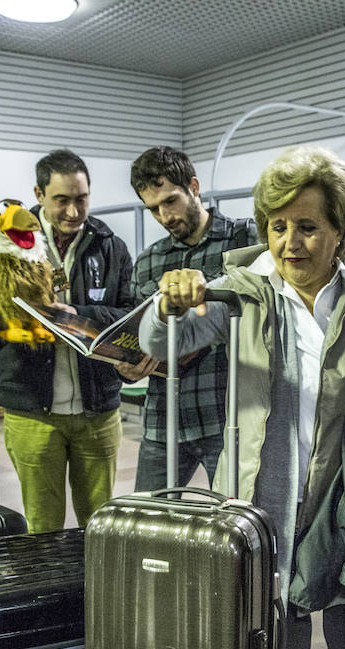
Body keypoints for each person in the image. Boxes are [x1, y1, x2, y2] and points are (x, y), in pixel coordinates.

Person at [139, 146, 345, 649]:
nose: (290, 242)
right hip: (261, 504)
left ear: (340, 230)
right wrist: (168, 305)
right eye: (278, 226)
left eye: (308, 227)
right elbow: (158, 346)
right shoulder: (239, 293)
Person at [0, 149, 136, 532]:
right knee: (43, 524)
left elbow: (129, 310)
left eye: (82, 199)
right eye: (62, 200)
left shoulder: (110, 245)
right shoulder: (7, 245)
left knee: (102, 524)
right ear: (39, 194)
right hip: (32, 412)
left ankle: (99, 592)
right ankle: (51, 592)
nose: (73, 211)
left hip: (97, 410)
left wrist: (81, 316)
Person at [128, 146, 259, 490]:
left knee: (237, 523)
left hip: (228, 417)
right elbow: (136, 333)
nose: (164, 216)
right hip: (164, 421)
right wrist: (125, 366)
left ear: (194, 187)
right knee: (147, 523)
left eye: (170, 201)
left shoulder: (246, 241)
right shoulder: (148, 262)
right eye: (153, 209)